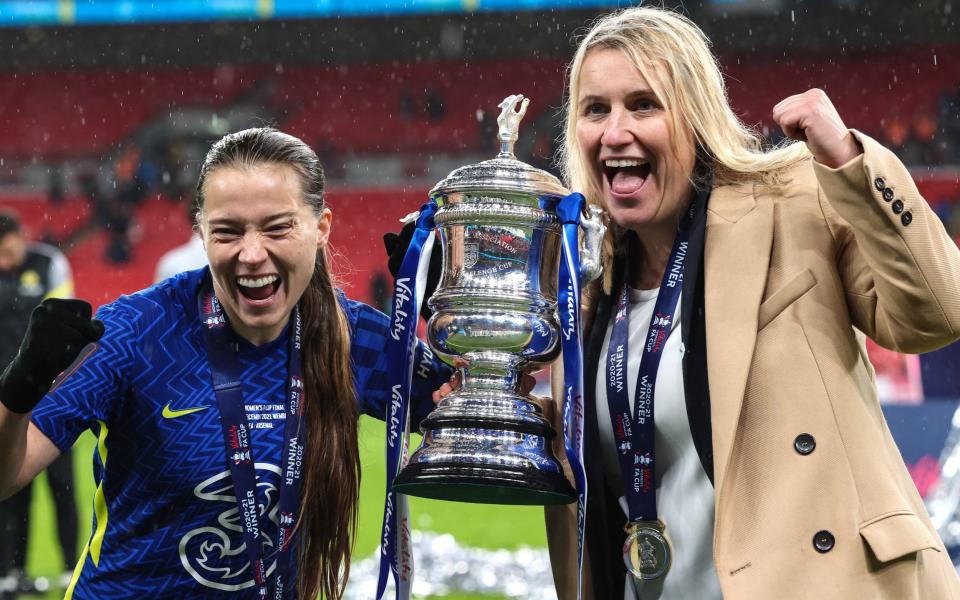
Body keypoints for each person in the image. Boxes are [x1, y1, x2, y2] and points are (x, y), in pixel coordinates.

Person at [542, 7, 960, 600]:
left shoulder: (793, 203)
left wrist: (848, 160)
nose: (614, 132)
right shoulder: (583, 284)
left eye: (643, 104)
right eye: (595, 109)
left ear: (695, 116)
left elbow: (936, 313)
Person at [0, 128, 450, 600]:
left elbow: (482, 430)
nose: (252, 255)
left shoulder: (355, 339)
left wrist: (445, 316)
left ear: (321, 228)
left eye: (278, 227)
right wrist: (17, 390)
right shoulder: (134, 334)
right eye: (227, 231)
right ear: (201, 233)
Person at [0, 211, 78, 597]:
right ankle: (11, 572)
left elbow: (62, 323)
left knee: (62, 484)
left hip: (51, 399)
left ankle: (69, 569)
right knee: (10, 489)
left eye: (7, 246)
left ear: (20, 236)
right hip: (4, 403)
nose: (3, 258)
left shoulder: (48, 263)